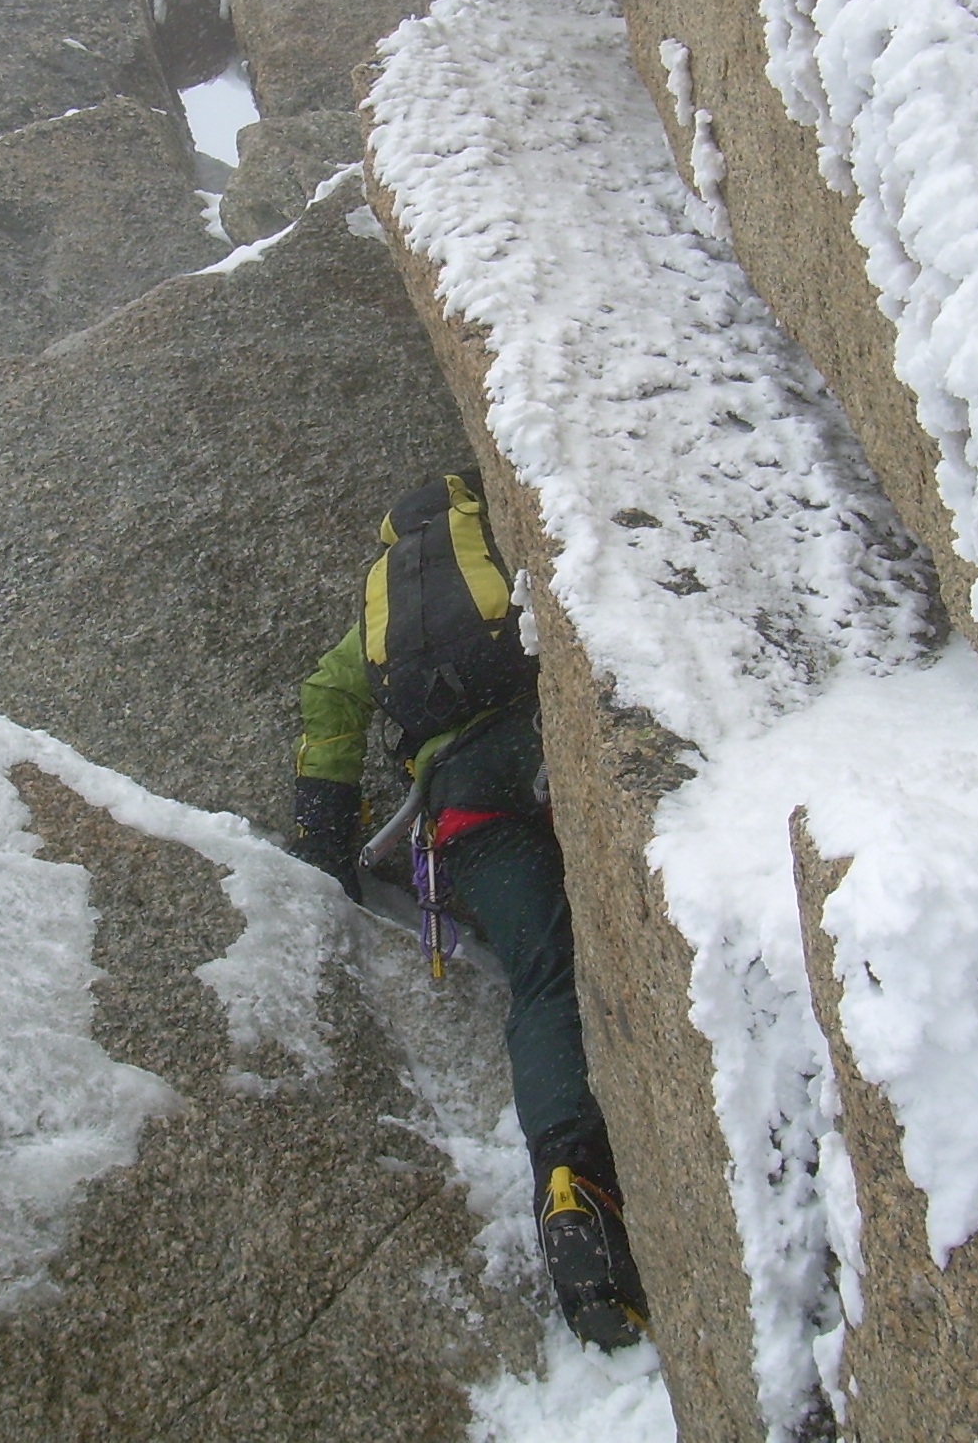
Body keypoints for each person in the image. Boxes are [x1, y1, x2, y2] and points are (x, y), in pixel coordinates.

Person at [290, 472, 649, 1351]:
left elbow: (327, 701)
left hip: (462, 802)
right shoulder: (494, 544)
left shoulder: (380, 615)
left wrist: (325, 841)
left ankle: (573, 1187)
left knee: (542, 972)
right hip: (543, 743)